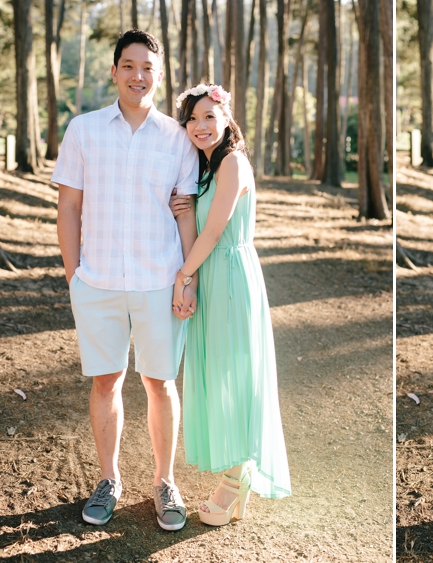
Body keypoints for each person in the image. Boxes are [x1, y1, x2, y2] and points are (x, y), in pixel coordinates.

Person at [54, 29, 199, 531]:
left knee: (160, 382)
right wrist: (76, 277)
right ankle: (109, 479)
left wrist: (188, 279)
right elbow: (69, 206)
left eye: (148, 69)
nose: (139, 76)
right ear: (114, 71)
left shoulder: (177, 138)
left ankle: (164, 482)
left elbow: (185, 215)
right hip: (99, 282)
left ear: (159, 77)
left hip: (160, 279)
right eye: (130, 66)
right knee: (106, 380)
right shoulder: (84, 130)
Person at [168, 83, 291, 526]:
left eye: (209, 117)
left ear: (226, 120)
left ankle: (235, 484)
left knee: (235, 377)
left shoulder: (233, 163)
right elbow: (198, 226)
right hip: (212, 275)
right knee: (217, 373)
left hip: (233, 278)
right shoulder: (205, 168)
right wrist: (184, 213)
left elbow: (216, 231)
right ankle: (234, 475)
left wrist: (183, 277)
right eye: (192, 119)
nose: (200, 126)